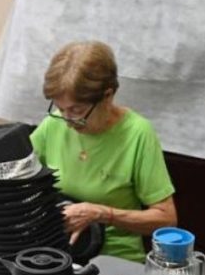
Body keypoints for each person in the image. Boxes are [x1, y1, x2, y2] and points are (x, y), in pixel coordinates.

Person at [30, 41, 178, 262]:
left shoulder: (137, 133)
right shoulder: (54, 125)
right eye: (61, 109)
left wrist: (101, 214)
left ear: (107, 96)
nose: (68, 121)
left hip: (114, 259)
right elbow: (17, 177)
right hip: (59, 254)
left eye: (77, 110)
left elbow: (166, 219)